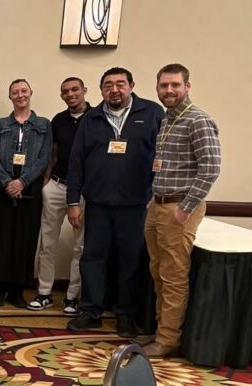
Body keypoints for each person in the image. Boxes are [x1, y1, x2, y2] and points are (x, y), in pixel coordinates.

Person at [66, 67, 165, 338]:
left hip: (136, 205)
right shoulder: (92, 118)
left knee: (130, 261)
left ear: (131, 86)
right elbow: (76, 162)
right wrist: (73, 201)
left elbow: (164, 157)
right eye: (108, 85)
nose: (114, 90)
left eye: (120, 84)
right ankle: (91, 311)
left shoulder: (152, 114)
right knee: (92, 259)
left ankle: (125, 314)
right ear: (101, 91)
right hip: (97, 203)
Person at [141, 63, 221, 358]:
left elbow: (211, 168)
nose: (169, 90)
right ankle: (163, 329)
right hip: (158, 204)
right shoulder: (167, 120)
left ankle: (168, 340)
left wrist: (186, 209)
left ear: (187, 86)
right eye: (164, 86)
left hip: (179, 208)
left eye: (175, 85)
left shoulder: (198, 120)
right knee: (158, 271)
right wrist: (153, 200)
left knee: (174, 275)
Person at [0, 79, 51, 308]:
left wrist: (23, 182)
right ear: (10, 97)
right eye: (15, 92)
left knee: (24, 240)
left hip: (30, 191)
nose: (20, 95)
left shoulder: (44, 125)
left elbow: (44, 158)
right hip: (1, 190)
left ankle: (17, 290)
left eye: (24, 91)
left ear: (31, 93)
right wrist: (8, 182)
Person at [31, 77, 90, 314]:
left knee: (81, 247)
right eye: (65, 91)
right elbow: (52, 154)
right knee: (47, 244)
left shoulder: (97, 118)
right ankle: (44, 293)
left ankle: (72, 297)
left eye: (75, 89)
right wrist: (46, 183)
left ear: (84, 91)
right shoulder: (58, 120)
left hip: (85, 190)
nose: (70, 94)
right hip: (57, 185)